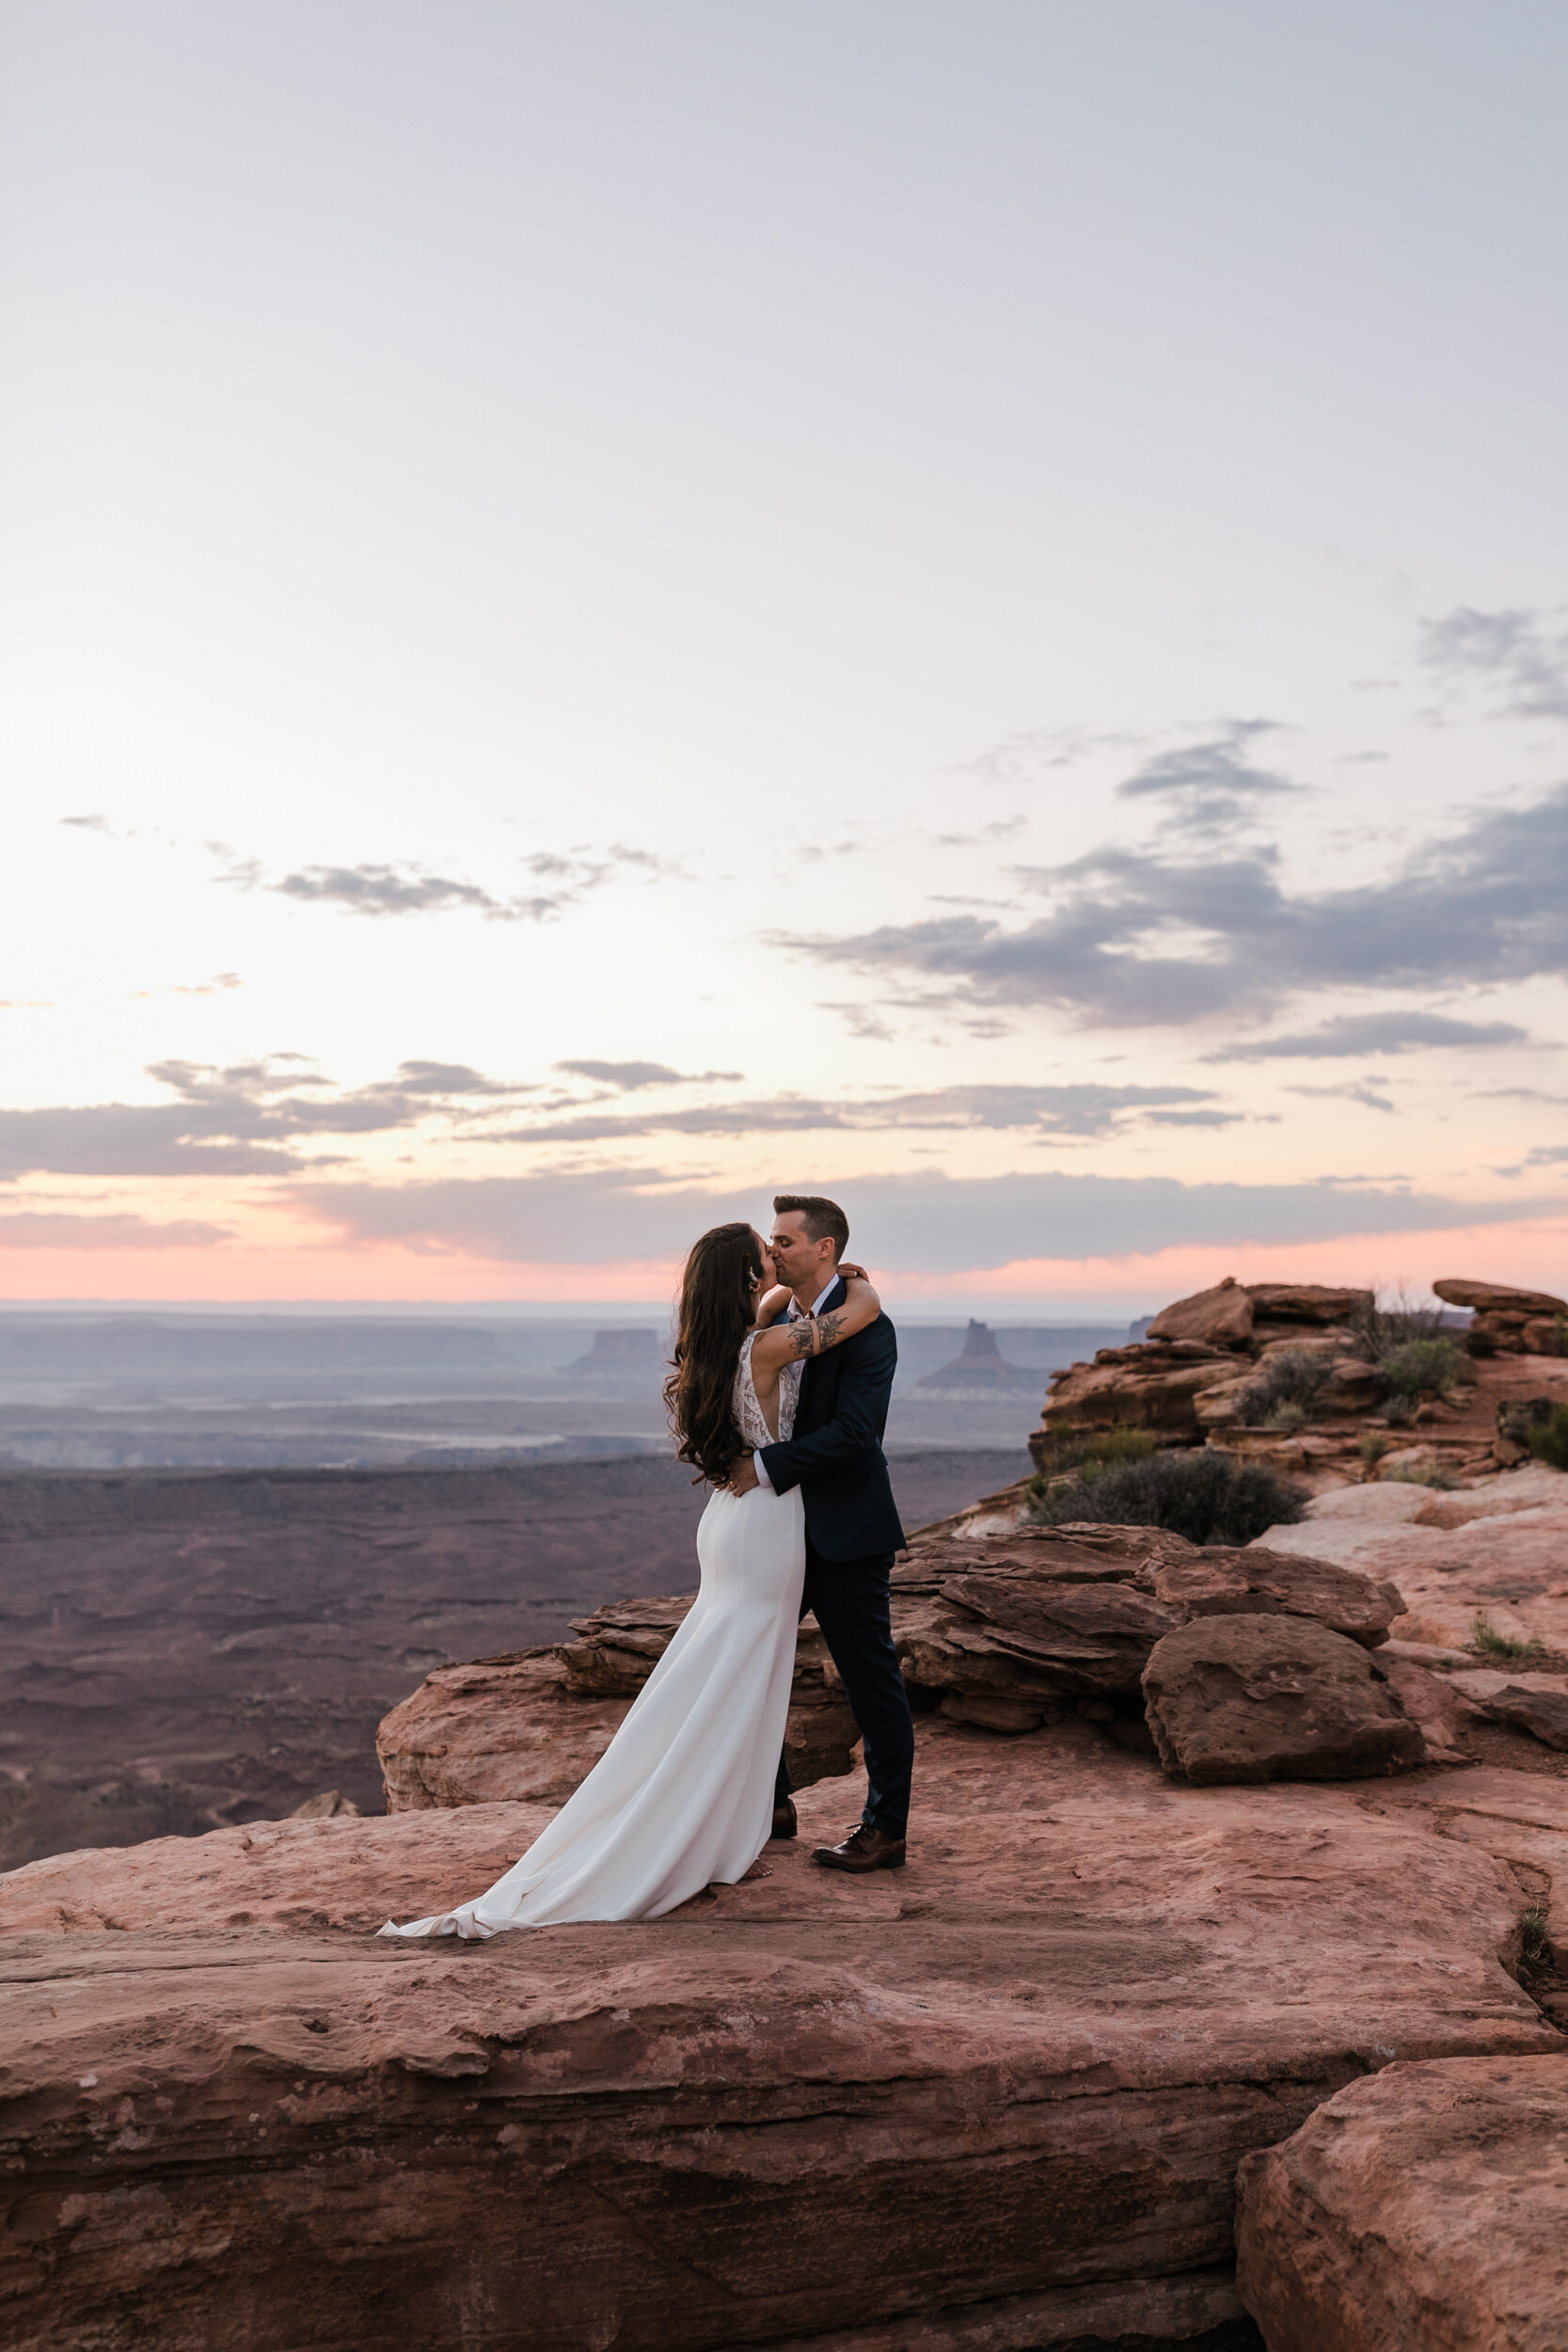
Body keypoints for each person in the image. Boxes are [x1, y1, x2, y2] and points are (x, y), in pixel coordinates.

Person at [376, 1218, 883, 1937]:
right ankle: (704, 1817)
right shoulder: (768, 1348)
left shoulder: (717, 1347)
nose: (773, 1262)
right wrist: (856, 1281)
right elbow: (858, 1314)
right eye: (762, 1259)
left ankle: (732, 1808)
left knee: (722, 1667)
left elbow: (767, 1314)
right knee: (741, 1671)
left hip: (728, 1520)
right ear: (745, 1280)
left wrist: (767, 1289)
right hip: (767, 1524)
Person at [725, 1195, 912, 1875]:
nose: (773, 1251)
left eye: (784, 1240)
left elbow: (857, 1434)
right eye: (770, 1241)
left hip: (844, 1532)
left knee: (869, 1682)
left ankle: (884, 1830)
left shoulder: (870, 1328)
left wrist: (764, 1467)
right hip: (778, 1531)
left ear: (824, 1248)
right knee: (753, 1661)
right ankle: (771, 1806)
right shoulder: (776, 1315)